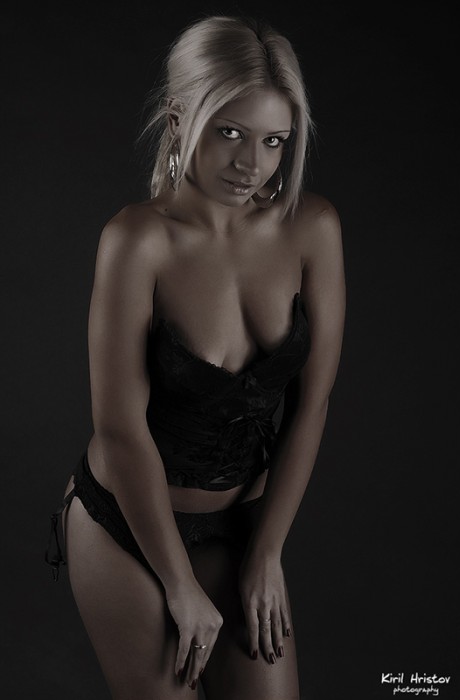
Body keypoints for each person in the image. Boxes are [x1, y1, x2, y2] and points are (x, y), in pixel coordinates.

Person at [46, 14, 345, 700]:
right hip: (124, 524)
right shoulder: (137, 241)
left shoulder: (313, 229)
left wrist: (267, 551)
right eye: (230, 132)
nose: (252, 164)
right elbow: (120, 430)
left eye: (274, 141)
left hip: (242, 526)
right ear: (181, 119)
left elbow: (312, 404)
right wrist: (178, 585)